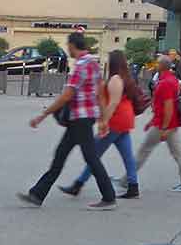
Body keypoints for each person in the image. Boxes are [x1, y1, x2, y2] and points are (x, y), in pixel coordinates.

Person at [18, 32, 118, 210]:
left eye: (68, 45)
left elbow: (67, 95)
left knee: (89, 157)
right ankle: (37, 194)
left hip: (80, 118)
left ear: (73, 45)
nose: (67, 48)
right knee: (62, 155)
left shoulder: (81, 66)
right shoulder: (94, 64)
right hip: (83, 118)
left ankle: (109, 197)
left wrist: (43, 115)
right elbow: (100, 93)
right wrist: (103, 119)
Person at [59, 50, 139, 200]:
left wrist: (104, 121)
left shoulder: (115, 78)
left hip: (116, 119)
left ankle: (78, 184)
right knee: (127, 155)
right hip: (126, 119)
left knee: (93, 155)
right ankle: (133, 185)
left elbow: (113, 103)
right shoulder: (127, 77)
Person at [131, 54, 181, 192]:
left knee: (144, 150)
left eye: (157, 63)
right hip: (169, 123)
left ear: (162, 66)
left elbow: (168, 106)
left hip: (163, 124)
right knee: (177, 152)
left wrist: (164, 127)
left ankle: (127, 179)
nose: (155, 65)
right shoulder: (171, 80)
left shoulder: (165, 83)